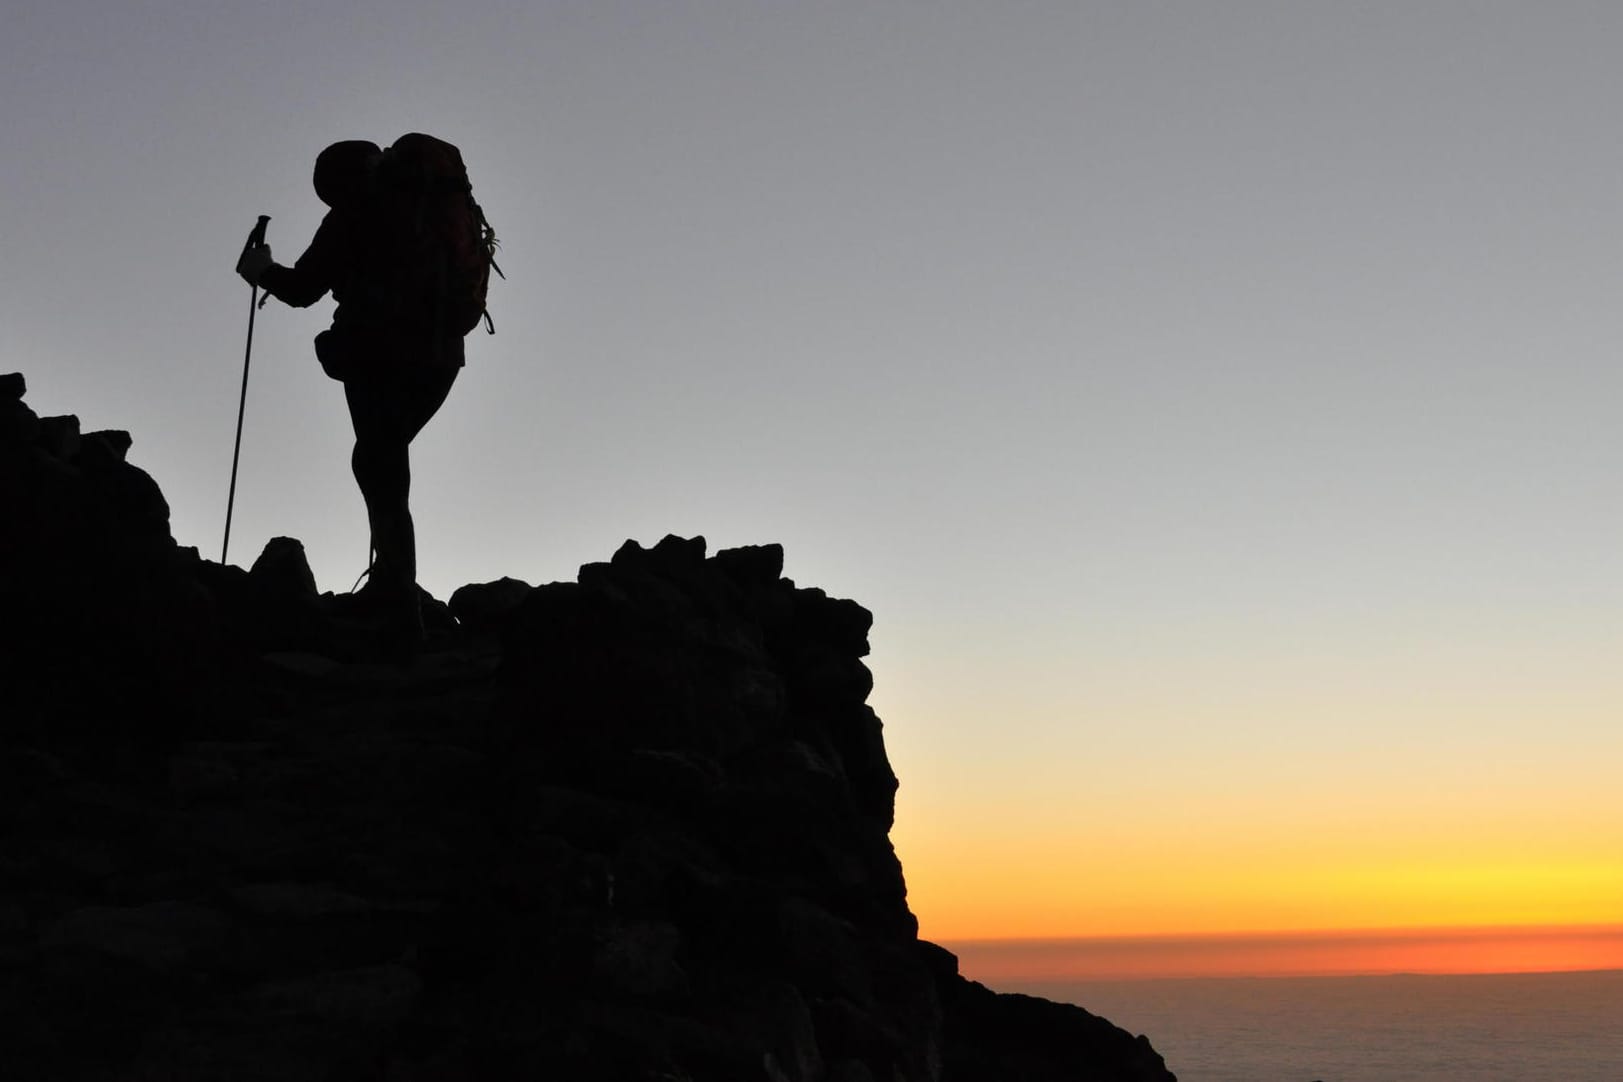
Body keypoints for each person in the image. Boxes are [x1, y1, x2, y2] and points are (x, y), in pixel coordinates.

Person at [236, 139, 465, 648]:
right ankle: (392, 585)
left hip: (378, 353)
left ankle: (400, 611)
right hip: (442, 355)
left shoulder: (353, 213)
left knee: (380, 467)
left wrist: (259, 271)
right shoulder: (425, 208)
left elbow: (302, 290)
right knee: (383, 461)